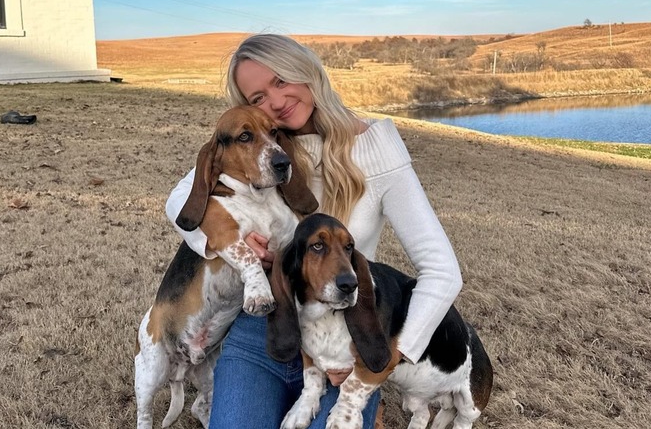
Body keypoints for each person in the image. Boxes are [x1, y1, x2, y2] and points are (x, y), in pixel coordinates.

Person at [165, 33, 463, 429]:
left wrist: (390, 356)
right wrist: (223, 242)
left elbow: (443, 270)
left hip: (345, 336)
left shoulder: (378, 146)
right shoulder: (264, 146)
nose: (274, 100)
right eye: (256, 98)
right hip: (265, 329)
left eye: (281, 80)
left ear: (307, 71)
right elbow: (180, 200)